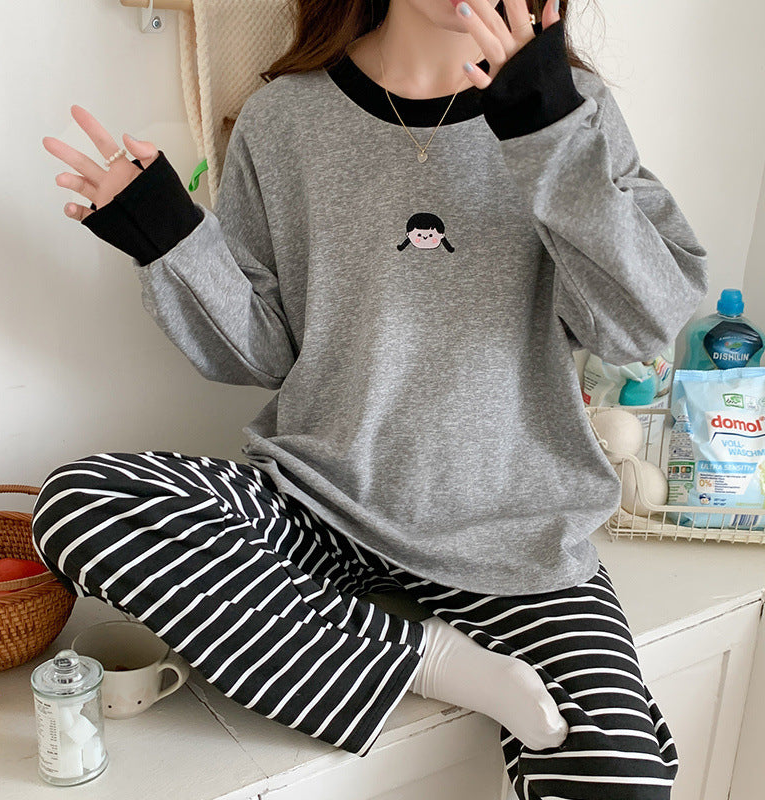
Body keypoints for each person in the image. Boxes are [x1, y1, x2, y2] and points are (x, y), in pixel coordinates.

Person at [36, 0, 707, 796]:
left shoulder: (575, 109)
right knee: (85, 503)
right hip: (319, 503)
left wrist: (547, 130)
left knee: (618, 777)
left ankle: (405, 659)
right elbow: (265, 351)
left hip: (513, 530)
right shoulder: (284, 119)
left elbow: (639, 326)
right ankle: (429, 662)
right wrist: (166, 234)